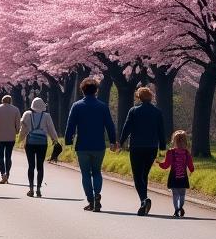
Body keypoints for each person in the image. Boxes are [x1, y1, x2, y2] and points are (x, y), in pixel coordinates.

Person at [64, 77, 118, 212]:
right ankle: (97, 194)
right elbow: (110, 126)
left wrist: (68, 140)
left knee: (86, 174)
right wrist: (112, 141)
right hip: (99, 145)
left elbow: (70, 125)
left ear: (82, 90)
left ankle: (91, 200)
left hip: (82, 145)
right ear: (96, 91)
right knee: (97, 172)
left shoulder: (77, 106)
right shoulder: (102, 106)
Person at [119, 86, 167, 216]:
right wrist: (162, 146)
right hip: (152, 147)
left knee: (137, 175)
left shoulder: (134, 111)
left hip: (136, 146)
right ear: (150, 97)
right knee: (144, 174)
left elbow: (126, 127)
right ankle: (144, 200)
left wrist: (121, 142)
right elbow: (161, 130)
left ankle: (144, 200)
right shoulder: (157, 112)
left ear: (138, 97)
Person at [19, 96, 59, 197]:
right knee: (40, 166)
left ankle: (31, 188)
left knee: (31, 166)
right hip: (42, 143)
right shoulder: (47, 116)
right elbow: (51, 129)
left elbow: (23, 129)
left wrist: (20, 138)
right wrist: (55, 140)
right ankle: (38, 189)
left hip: (30, 143)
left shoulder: (27, 114)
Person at [158, 129, 195, 217]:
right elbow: (191, 167)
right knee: (182, 194)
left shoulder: (170, 152)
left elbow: (166, 165)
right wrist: (192, 169)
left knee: (175, 195)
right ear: (185, 141)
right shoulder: (187, 153)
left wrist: (159, 164)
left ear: (173, 141)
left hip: (173, 177)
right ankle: (180, 206)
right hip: (183, 177)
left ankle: (176, 210)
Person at [0, 94, 22, 183]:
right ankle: (8, 173)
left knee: (0, 156)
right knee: (8, 156)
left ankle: (3, 174)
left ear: (2, 100)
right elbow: (18, 123)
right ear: (10, 101)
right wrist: (17, 131)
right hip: (11, 137)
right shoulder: (16, 109)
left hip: (0, 137)